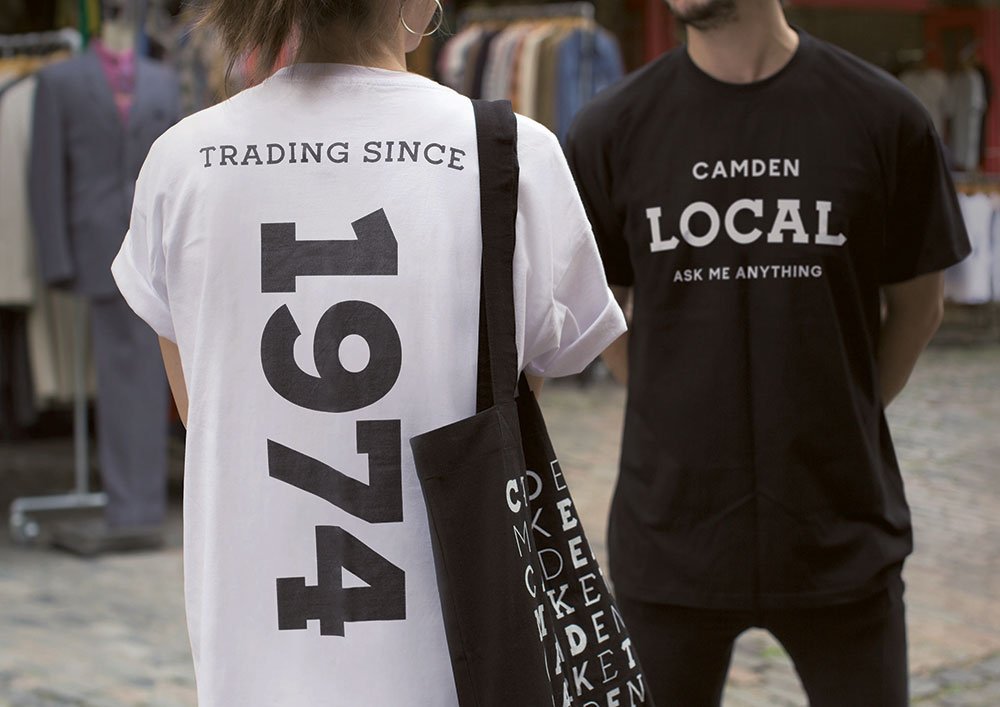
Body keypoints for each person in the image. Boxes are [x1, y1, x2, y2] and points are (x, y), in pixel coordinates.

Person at [110, 0, 626, 704]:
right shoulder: (509, 155)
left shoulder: (182, 163)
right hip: (458, 657)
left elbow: (204, 414)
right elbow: (513, 404)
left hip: (254, 661)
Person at [566, 1, 970, 705]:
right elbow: (601, 309)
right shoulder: (612, 129)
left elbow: (919, 305)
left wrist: (847, 406)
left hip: (841, 532)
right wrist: (667, 397)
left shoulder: (883, 116)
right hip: (671, 539)